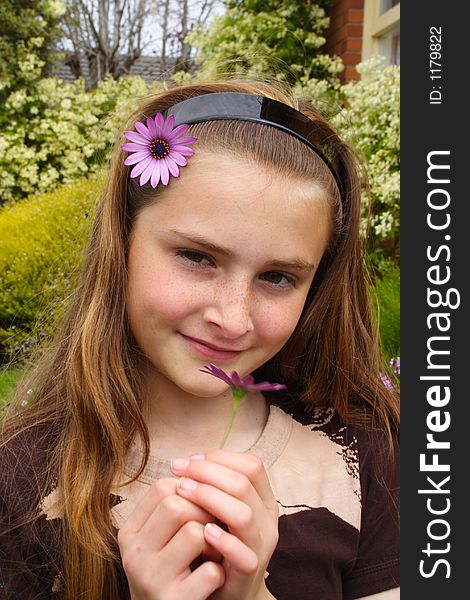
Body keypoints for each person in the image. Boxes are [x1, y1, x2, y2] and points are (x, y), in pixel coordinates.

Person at [0, 79, 399, 600]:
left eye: (278, 277)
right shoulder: (22, 476)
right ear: (122, 243)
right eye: (198, 257)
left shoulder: (369, 455)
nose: (233, 319)